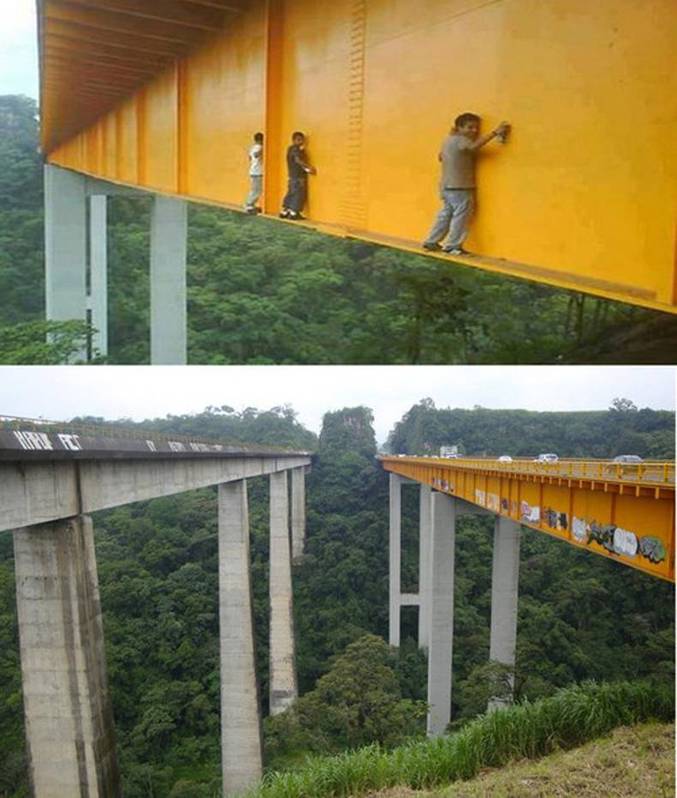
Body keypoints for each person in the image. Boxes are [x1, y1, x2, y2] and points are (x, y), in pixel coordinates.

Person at [423, 113, 510, 255]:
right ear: (459, 127)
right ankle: (452, 246)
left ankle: (431, 241)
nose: (474, 131)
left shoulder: (448, 140)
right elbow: (473, 147)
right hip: (460, 186)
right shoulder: (461, 140)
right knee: (461, 217)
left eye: (476, 128)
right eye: (470, 127)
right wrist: (495, 133)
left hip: (446, 186)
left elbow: (440, 157)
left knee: (446, 214)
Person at [280, 131, 316, 220]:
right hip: (298, 176)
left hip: (292, 175)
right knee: (298, 194)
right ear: (293, 140)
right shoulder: (296, 149)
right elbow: (298, 160)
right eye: (298, 140)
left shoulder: (290, 149)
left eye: (302, 140)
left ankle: (285, 211)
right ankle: (294, 213)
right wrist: (309, 167)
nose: (301, 142)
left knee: (291, 193)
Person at [244, 132, 264, 214]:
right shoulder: (259, 147)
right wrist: (262, 150)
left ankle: (251, 205)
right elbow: (256, 155)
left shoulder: (252, 147)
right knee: (257, 190)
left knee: (255, 189)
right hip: (257, 172)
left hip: (253, 171)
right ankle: (249, 205)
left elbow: (249, 158)